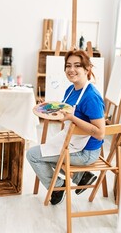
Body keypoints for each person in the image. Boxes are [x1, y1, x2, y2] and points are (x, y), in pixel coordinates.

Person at [27, 50, 105, 205]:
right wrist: (47, 107)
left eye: (77, 65)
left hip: (86, 152)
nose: (71, 69)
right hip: (72, 142)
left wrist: (72, 117)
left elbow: (101, 133)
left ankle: (57, 188)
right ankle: (80, 177)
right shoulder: (70, 90)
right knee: (46, 153)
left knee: (33, 155)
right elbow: (65, 115)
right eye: (68, 65)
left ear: (87, 69)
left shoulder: (91, 97)